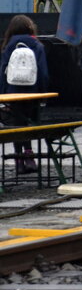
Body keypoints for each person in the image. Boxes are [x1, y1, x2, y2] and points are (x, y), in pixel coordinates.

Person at [0, 16, 50, 174]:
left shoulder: (8, 46)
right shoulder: (37, 45)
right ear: (30, 28)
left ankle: (19, 160)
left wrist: (3, 92)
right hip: (32, 91)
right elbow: (43, 72)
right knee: (29, 123)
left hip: (12, 92)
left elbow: (2, 71)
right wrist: (43, 92)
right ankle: (29, 156)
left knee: (17, 123)